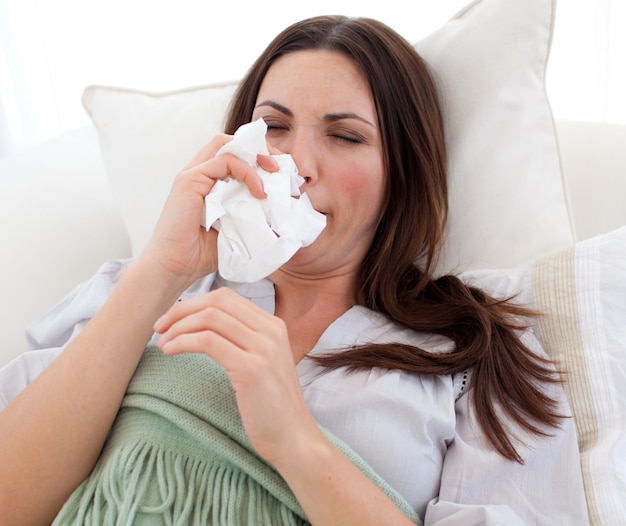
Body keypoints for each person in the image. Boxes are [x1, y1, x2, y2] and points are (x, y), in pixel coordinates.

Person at [0, 15, 588, 525]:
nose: (296, 164)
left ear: (401, 172)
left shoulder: (474, 351)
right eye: (274, 127)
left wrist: (296, 441)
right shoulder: (141, 289)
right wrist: (162, 269)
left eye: (346, 135)